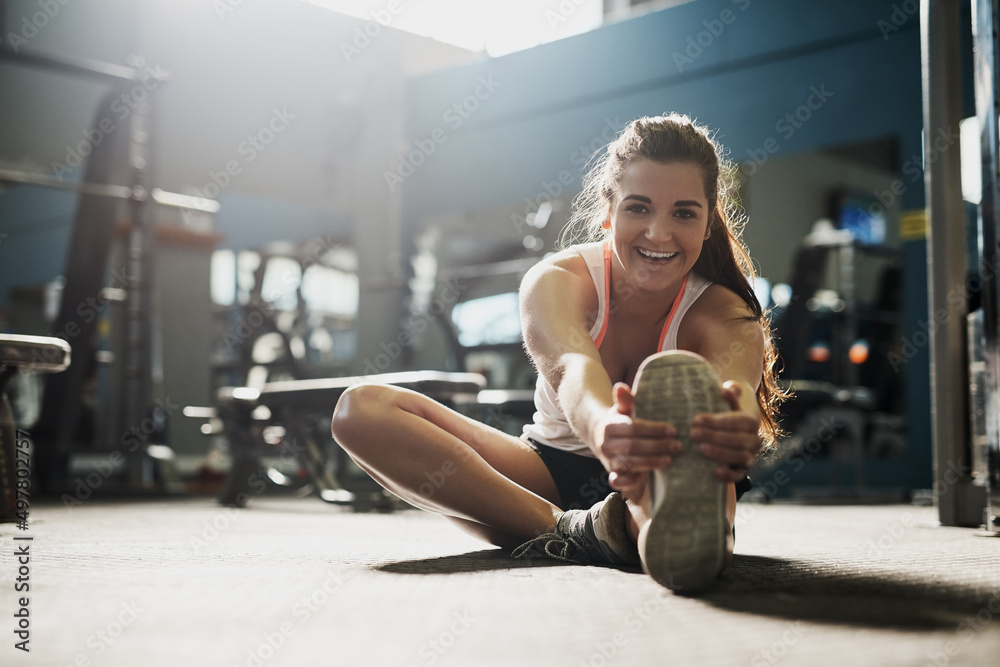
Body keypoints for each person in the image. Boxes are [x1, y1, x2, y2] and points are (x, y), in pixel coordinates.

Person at [331, 113, 784, 593]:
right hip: (547, 473)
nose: (658, 233)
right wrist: (606, 428)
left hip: (660, 465)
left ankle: (650, 524)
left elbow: (734, 389)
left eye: (684, 213)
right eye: (639, 208)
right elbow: (573, 370)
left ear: (710, 222)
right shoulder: (557, 281)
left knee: (694, 474)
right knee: (361, 411)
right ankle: (578, 531)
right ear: (608, 213)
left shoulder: (726, 314)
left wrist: (734, 420)